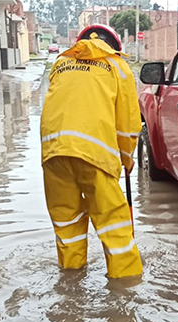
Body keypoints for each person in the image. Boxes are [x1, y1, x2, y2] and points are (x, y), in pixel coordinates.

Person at [40, 24, 143, 278]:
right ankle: (126, 288)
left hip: (53, 154)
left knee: (67, 226)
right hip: (94, 156)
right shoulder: (118, 67)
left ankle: (71, 280)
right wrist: (127, 160)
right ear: (114, 47)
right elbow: (128, 124)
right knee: (115, 228)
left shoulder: (60, 63)